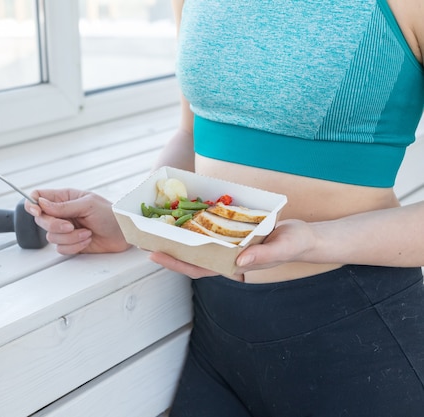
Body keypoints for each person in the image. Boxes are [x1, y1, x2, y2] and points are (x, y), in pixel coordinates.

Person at [25, 0, 424, 415]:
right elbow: (191, 133)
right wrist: (133, 221)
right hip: (217, 333)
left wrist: (311, 239)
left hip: (356, 336)